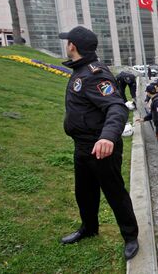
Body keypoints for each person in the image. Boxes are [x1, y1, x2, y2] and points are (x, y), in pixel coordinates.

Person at [58, 26, 139, 260]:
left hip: (102, 148)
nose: (67, 44)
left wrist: (107, 136)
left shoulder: (95, 74)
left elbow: (116, 106)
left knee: (115, 194)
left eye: (68, 41)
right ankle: (89, 228)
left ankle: (131, 236)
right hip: (82, 146)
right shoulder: (81, 70)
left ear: (73, 46)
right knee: (84, 192)